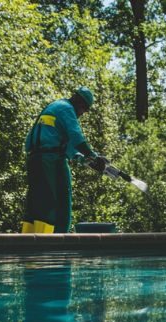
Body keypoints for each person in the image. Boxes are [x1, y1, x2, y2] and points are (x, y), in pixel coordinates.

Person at [22, 87, 107, 233]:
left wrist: (84, 159)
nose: (82, 114)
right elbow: (76, 137)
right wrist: (93, 156)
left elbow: (64, 145)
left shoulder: (54, 107)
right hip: (50, 162)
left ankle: (29, 241)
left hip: (35, 159)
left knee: (35, 204)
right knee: (57, 203)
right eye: (85, 110)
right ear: (80, 104)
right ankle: (55, 243)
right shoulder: (67, 110)